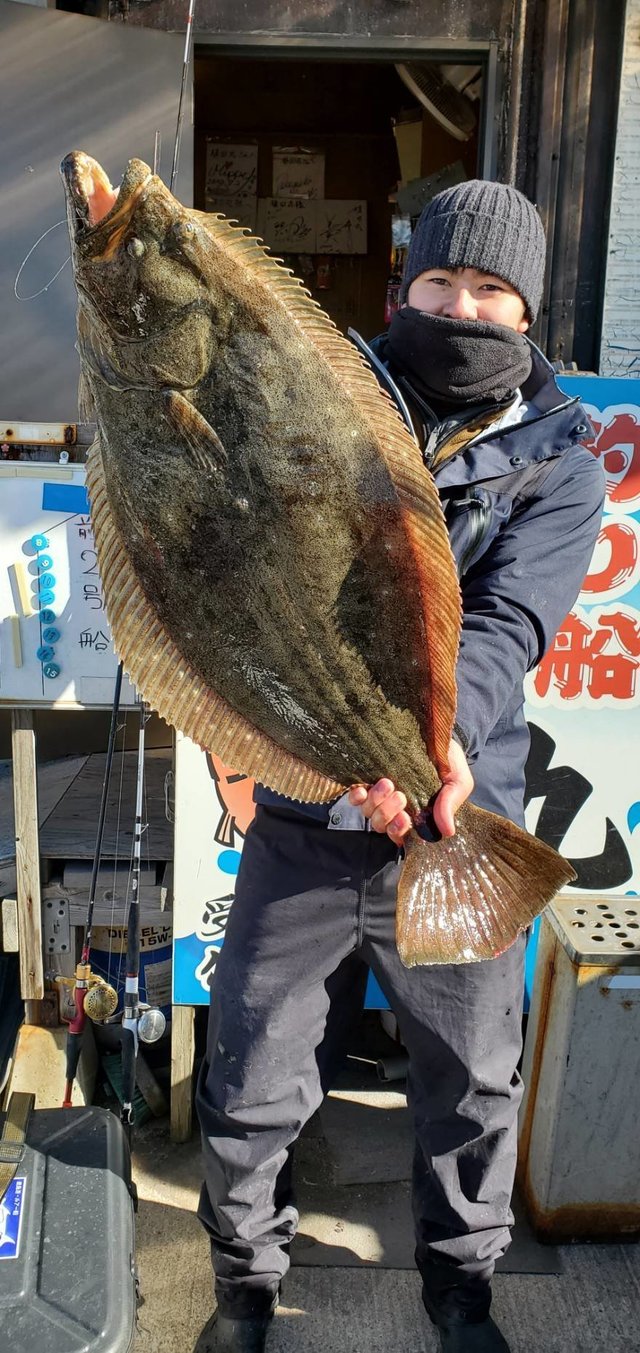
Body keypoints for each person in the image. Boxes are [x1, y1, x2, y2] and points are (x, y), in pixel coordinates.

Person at [194, 180, 606, 1353]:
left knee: (471, 1074)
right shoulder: (315, 394)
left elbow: (506, 626)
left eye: (489, 289)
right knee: (255, 1056)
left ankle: (461, 1284)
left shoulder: (563, 460)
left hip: (455, 810)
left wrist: (432, 756)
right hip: (301, 806)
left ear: (527, 311)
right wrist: (250, 742)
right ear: (401, 286)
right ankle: (244, 1280)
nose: (461, 306)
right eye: (439, 282)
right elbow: (248, 582)